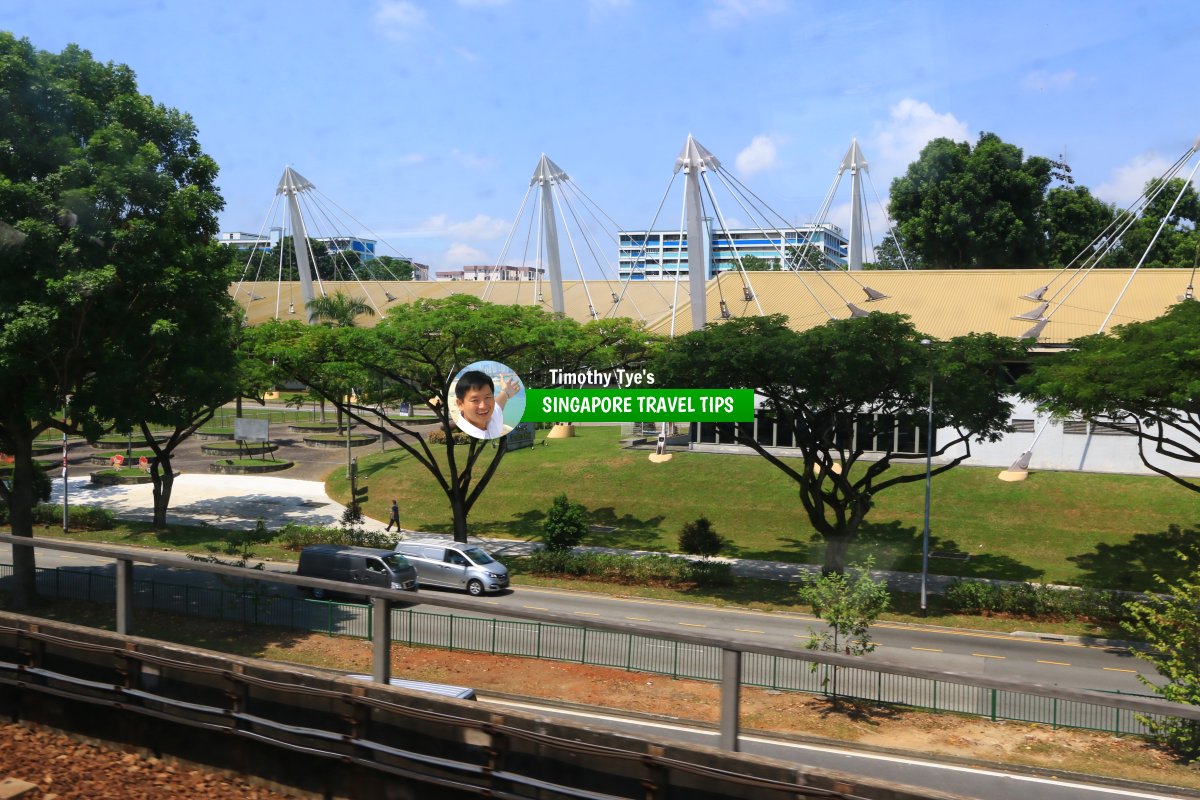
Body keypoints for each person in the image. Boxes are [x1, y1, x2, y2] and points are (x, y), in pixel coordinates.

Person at [453, 370, 519, 440]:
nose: (483, 406)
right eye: (475, 400)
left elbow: (499, 402)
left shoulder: (492, 415)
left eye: (487, 397)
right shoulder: (463, 436)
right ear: (460, 404)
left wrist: (506, 392)